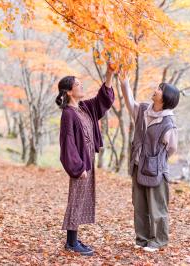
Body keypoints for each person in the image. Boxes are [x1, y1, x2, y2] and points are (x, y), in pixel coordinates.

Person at [56, 65, 115, 256]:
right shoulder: (68, 114)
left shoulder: (85, 108)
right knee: (75, 200)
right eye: (78, 84)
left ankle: (73, 240)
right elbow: (68, 143)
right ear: (69, 91)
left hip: (88, 161)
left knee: (81, 200)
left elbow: (102, 101)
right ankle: (71, 243)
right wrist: (77, 167)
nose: (81, 86)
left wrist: (109, 74)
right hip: (80, 164)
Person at [119, 72, 180, 252]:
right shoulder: (144, 110)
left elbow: (171, 148)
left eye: (160, 89)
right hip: (138, 166)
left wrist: (156, 159)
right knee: (139, 205)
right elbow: (130, 102)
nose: (155, 90)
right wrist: (125, 83)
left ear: (166, 97)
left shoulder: (169, 123)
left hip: (156, 170)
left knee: (157, 207)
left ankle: (159, 240)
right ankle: (142, 239)